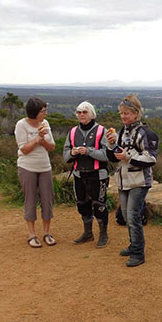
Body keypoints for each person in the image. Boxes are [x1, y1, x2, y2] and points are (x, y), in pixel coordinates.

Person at [105, 95, 157, 267]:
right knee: (127, 216)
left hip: (139, 181)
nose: (123, 116)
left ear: (136, 114)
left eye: (126, 113)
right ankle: (134, 244)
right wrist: (111, 145)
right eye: (121, 113)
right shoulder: (122, 133)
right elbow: (114, 157)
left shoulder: (144, 134)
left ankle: (138, 253)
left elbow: (151, 158)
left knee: (133, 216)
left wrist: (127, 157)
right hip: (123, 180)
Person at [63, 101, 111, 247]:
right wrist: (72, 152)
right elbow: (65, 156)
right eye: (79, 112)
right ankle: (88, 233)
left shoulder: (102, 131)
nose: (82, 115)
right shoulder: (72, 132)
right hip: (79, 175)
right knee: (82, 204)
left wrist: (89, 151)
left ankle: (103, 235)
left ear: (91, 114)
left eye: (85, 112)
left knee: (99, 205)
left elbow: (108, 155)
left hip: (98, 175)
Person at [14, 97, 57, 248]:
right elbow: (24, 149)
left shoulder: (45, 124)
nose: (45, 113)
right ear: (35, 112)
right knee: (30, 200)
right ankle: (32, 235)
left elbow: (52, 147)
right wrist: (37, 138)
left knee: (47, 200)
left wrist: (43, 139)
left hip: (45, 167)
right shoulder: (21, 125)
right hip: (27, 168)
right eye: (43, 111)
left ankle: (46, 233)